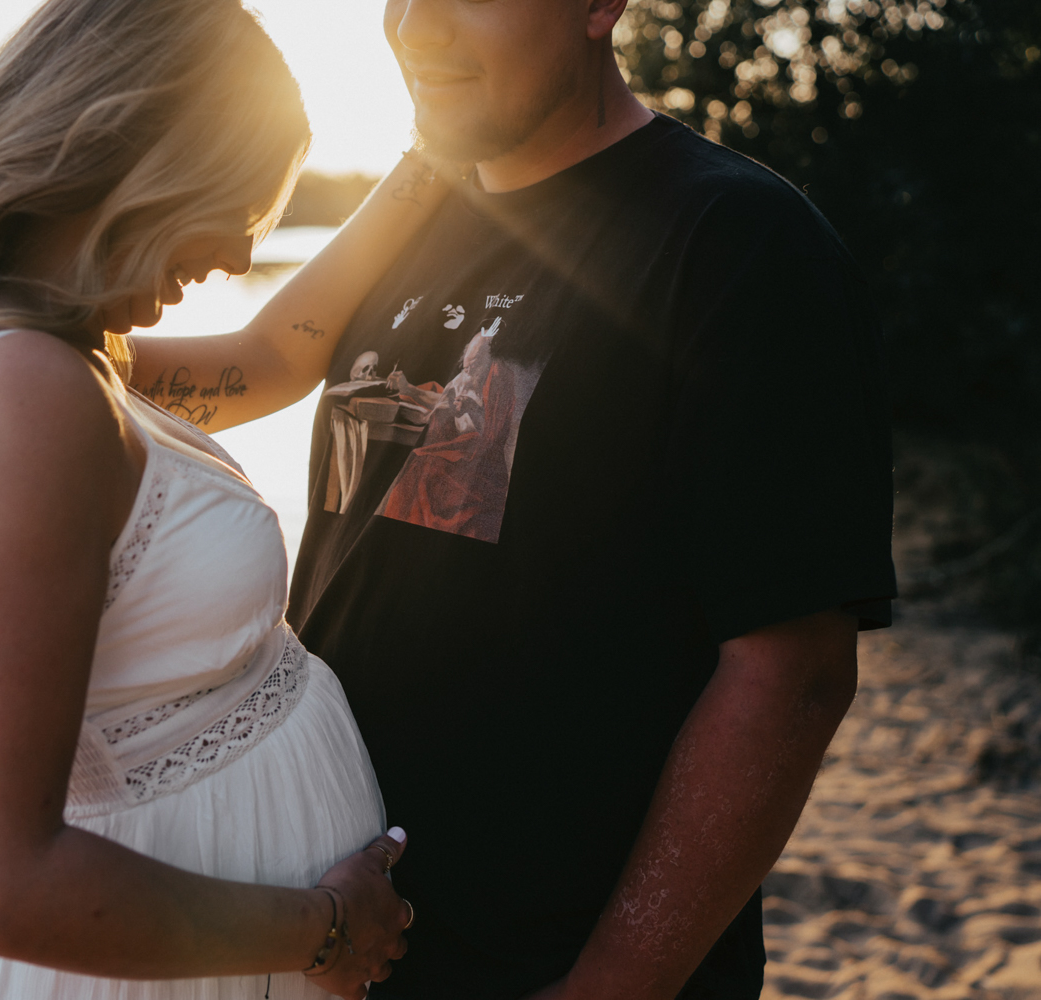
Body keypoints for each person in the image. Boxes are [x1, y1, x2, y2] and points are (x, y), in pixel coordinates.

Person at [0, 1, 451, 997]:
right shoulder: (21, 399)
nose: (238, 253)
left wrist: (428, 168)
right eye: (240, 202)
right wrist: (325, 927)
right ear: (144, 154)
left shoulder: (59, 358)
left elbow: (269, 356)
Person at [286, 1, 898, 998]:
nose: (418, 30)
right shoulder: (412, 222)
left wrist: (610, 984)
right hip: (344, 941)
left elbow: (792, 672)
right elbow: (254, 367)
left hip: (543, 962)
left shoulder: (737, 241)